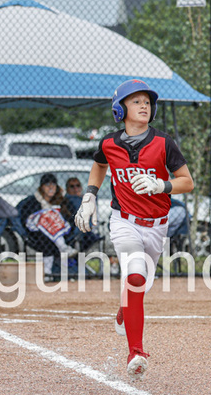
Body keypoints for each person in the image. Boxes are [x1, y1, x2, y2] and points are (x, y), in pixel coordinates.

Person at [75, 79, 194, 379]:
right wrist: (90, 195)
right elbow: (99, 165)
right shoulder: (109, 143)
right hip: (124, 221)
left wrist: (161, 185)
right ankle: (136, 352)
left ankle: (123, 308)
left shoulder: (164, 143)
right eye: (136, 100)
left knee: (139, 285)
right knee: (136, 276)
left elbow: (187, 182)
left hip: (156, 227)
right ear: (120, 108)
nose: (144, 105)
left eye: (147, 101)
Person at [18, 173, 78, 276]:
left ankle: (47, 273)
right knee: (47, 214)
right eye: (47, 185)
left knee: (53, 213)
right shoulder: (32, 202)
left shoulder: (64, 201)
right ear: (41, 187)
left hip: (60, 232)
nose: (51, 187)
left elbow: (71, 220)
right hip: (38, 232)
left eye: (53, 185)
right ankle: (62, 247)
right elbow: (26, 220)